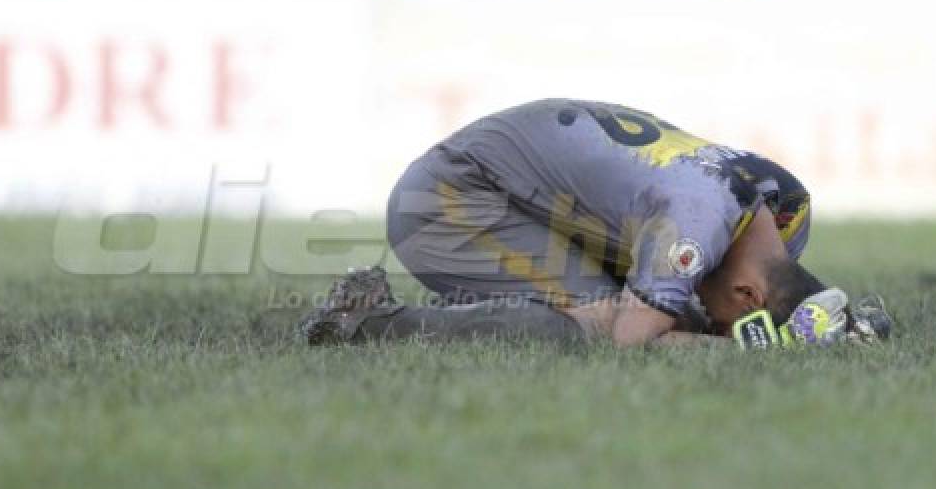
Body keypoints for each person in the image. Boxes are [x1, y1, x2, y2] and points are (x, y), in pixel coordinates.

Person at [300, 99, 889, 349]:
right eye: (735, 318)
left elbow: (705, 301)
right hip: (450, 198)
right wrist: (742, 351)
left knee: (667, 307)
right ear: (747, 292)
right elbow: (628, 341)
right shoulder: (696, 226)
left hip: (509, 181)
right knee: (594, 325)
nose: (721, 324)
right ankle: (368, 321)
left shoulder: (787, 208)